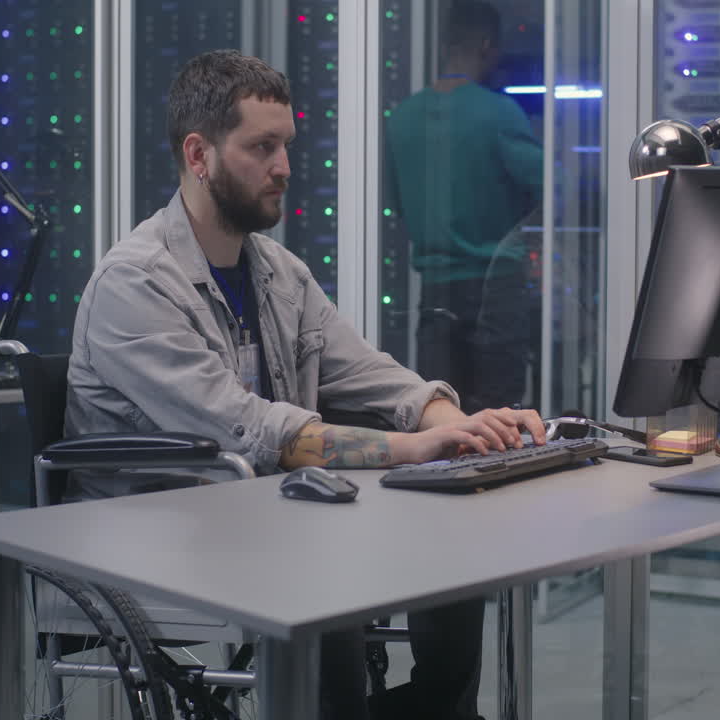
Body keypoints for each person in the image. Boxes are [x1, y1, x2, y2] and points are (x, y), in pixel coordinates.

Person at [65, 50, 546, 719]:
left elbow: (364, 370)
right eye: (262, 148)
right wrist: (406, 449)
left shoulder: (277, 271)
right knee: (325, 573)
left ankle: (441, 710)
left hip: (257, 516)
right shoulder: (136, 283)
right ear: (199, 155)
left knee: (453, 527)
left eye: (286, 146)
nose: (284, 168)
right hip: (153, 535)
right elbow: (248, 427)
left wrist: (446, 422)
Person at [386, 1, 543, 413]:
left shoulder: (402, 117)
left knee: (441, 418)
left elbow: (398, 206)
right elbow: (551, 193)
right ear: (488, 44)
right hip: (497, 289)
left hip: (435, 295)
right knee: (500, 421)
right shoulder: (500, 113)